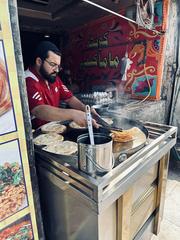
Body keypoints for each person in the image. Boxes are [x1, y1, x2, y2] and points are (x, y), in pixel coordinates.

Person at [25, 41, 98, 129]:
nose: (57, 70)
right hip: (37, 133)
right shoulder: (28, 79)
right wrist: (73, 114)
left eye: (58, 66)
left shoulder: (52, 77)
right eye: (53, 64)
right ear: (39, 61)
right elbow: (38, 110)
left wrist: (85, 109)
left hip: (54, 128)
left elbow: (69, 98)